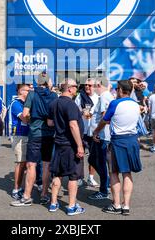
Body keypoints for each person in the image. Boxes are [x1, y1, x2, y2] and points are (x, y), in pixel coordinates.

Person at [93, 80, 142, 216]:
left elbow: (104, 120)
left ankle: (116, 205)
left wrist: (96, 131)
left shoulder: (115, 103)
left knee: (114, 173)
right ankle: (125, 206)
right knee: (127, 173)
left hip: (118, 141)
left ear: (120, 90)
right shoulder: (136, 104)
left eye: (117, 89)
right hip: (132, 139)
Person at [11, 72, 58, 207]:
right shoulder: (54, 95)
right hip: (49, 134)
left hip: (35, 133)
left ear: (37, 82)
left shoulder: (32, 94)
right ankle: (44, 194)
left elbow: (25, 114)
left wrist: (33, 118)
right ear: (48, 82)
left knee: (31, 165)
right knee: (46, 165)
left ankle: (27, 196)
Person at [47, 79, 86, 216]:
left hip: (58, 143)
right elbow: (73, 125)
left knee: (57, 173)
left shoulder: (54, 103)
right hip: (70, 145)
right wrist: (80, 146)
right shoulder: (70, 104)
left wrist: (60, 122)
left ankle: (53, 203)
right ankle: (71, 206)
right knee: (73, 176)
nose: (77, 89)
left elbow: (50, 122)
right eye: (76, 86)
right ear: (69, 88)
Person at [89, 77, 114, 200]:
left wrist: (97, 131)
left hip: (103, 136)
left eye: (94, 86)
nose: (93, 89)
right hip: (102, 135)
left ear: (99, 85)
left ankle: (104, 189)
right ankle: (107, 183)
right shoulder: (105, 96)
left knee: (100, 162)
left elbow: (105, 117)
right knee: (93, 160)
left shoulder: (104, 96)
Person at [75, 78, 100, 187]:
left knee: (93, 156)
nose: (87, 87)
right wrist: (82, 112)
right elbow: (74, 113)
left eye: (89, 85)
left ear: (95, 86)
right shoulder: (79, 97)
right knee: (79, 155)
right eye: (85, 85)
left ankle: (90, 178)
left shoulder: (98, 98)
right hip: (82, 130)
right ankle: (79, 177)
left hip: (93, 131)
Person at [8, 83, 31, 200]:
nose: (30, 92)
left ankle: (21, 187)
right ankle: (16, 189)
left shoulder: (24, 103)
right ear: (21, 91)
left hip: (26, 135)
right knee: (20, 163)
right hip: (19, 135)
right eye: (27, 90)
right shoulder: (16, 103)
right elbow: (25, 118)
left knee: (25, 164)